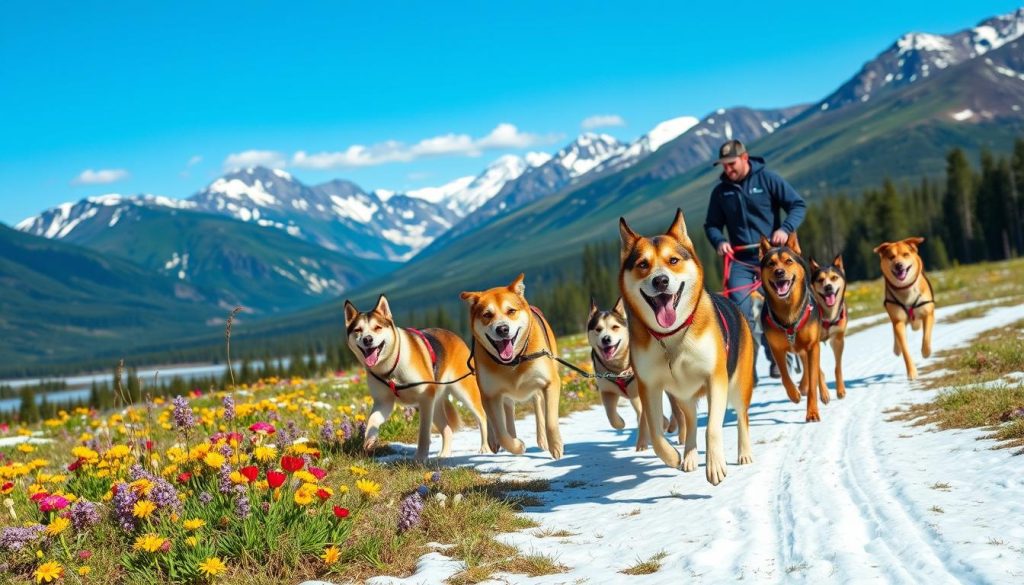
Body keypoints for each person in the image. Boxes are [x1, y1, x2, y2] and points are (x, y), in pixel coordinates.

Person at [703, 139, 806, 379]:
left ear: (745, 158)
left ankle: (778, 358)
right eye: (724, 165)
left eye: (731, 164)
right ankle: (747, 367)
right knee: (739, 311)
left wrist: (786, 229)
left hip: (772, 260)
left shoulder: (768, 179)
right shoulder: (721, 192)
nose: (728, 169)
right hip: (740, 261)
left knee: (775, 309)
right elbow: (712, 225)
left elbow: (797, 205)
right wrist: (719, 241)